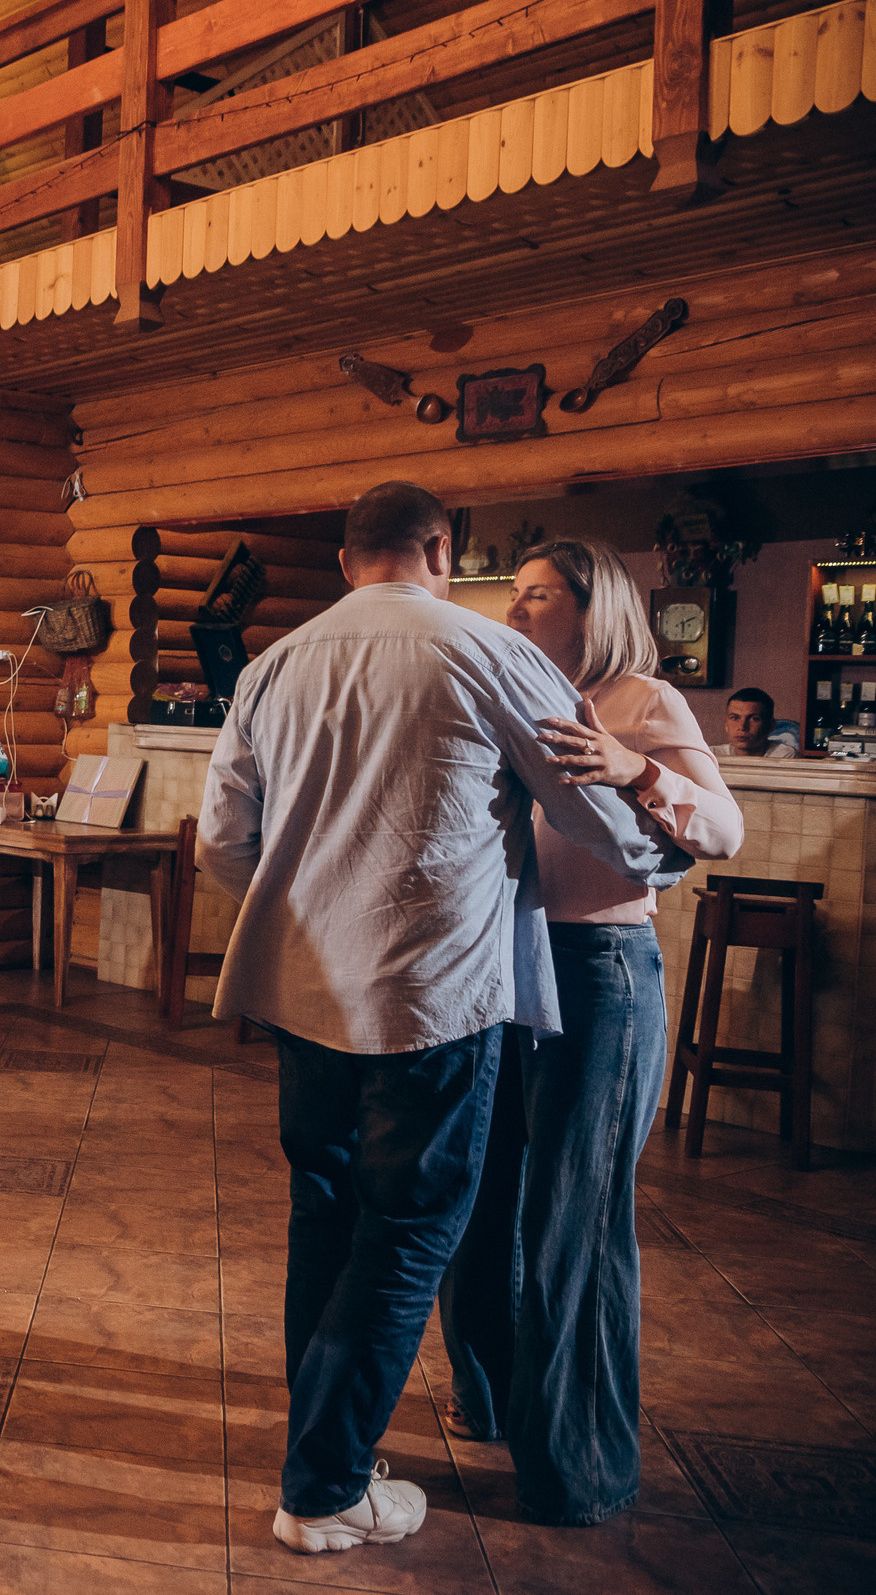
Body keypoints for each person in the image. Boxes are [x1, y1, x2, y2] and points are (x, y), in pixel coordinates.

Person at [196, 482, 685, 1558]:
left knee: (325, 1218)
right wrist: (665, 849)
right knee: (410, 1228)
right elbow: (593, 811)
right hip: (433, 991)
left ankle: (327, 1452)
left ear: (345, 560)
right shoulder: (488, 651)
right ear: (440, 549)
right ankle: (324, 1485)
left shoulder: (274, 664)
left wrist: (311, 918)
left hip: (303, 992)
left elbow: (222, 842)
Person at [439, 539, 741, 1524]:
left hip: (599, 970)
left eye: (536, 595)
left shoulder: (642, 698)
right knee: (479, 1200)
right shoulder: (507, 693)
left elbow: (723, 830)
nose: (514, 610)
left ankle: (575, 1466)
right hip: (499, 968)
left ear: (593, 604)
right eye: (514, 594)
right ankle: (491, 1399)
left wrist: (636, 768)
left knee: (573, 1219)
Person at [721, 686, 800, 757]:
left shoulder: (785, 755)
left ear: (771, 725)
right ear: (726, 724)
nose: (742, 727)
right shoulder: (715, 754)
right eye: (735, 718)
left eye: (754, 719)